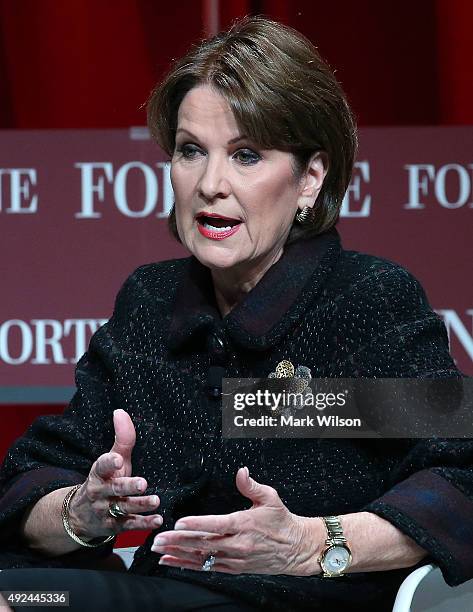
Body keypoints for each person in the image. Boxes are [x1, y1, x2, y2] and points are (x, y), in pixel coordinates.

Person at [0, 15, 472, 612]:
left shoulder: (366, 300)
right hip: (156, 591)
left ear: (311, 179)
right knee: (24, 592)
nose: (211, 184)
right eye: (191, 151)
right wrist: (84, 510)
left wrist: (311, 542)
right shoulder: (151, 303)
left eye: (247, 155)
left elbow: (461, 480)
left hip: (303, 599)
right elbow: (31, 481)